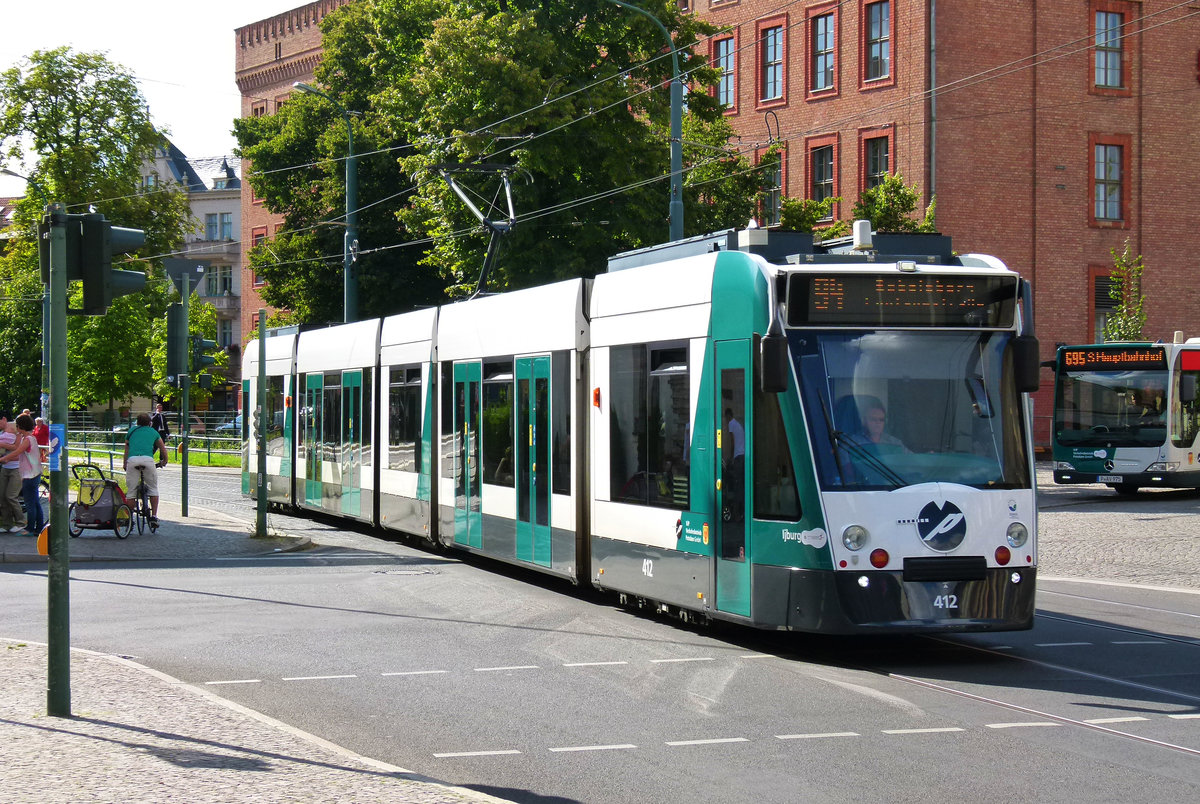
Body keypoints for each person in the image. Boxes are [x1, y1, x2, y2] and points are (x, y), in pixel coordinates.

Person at [0, 414, 43, 536]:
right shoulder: (31, 438)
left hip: (30, 475)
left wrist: (3, 459)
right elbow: (20, 454)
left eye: (17, 425)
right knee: (35, 503)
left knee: (30, 503)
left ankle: (29, 528)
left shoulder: (27, 439)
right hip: (34, 474)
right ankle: (38, 528)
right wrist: (7, 459)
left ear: (20, 427)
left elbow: (17, 451)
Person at [124, 412, 169, 525]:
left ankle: (130, 519)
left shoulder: (131, 431)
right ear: (150, 423)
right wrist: (165, 460)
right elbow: (162, 448)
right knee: (153, 489)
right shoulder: (153, 432)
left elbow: (126, 449)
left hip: (133, 460)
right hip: (148, 460)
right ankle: (154, 517)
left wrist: (125, 463)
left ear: (137, 422)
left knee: (131, 492)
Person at [0, 411, 26, 533]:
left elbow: (17, 449)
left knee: (11, 496)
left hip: (16, 467)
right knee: (2, 496)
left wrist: (5, 455)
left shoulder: (17, 429)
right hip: (5, 467)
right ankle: (6, 524)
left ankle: (21, 522)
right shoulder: (3, 433)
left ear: (4, 419)